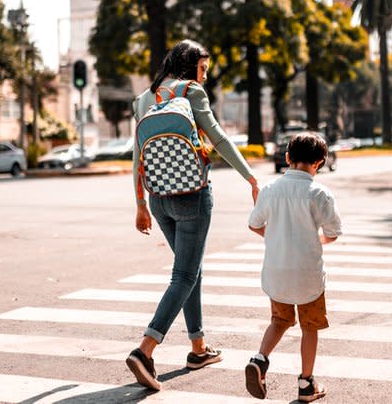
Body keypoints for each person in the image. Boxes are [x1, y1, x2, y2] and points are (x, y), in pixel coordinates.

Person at [126, 39, 259, 391]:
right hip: (192, 196)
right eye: (203, 67)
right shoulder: (191, 92)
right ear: (189, 66)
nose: (205, 73)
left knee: (190, 269)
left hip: (158, 199)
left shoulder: (145, 98)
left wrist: (140, 205)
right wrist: (250, 176)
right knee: (184, 274)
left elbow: (138, 157)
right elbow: (217, 138)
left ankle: (198, 348)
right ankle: (145, 350)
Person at [245, 132, 342, 402]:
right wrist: (316, 239)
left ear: (287, 157)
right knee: (309, 327)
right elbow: (333, 232)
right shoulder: (320, 193)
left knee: (279, 321)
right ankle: (306, 383)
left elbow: (255, 224)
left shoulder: (269, 190)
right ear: (320, 162)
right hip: (307, 274)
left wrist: (276, 236)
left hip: (277, 271)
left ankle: (260, 358)